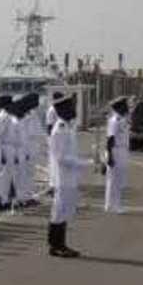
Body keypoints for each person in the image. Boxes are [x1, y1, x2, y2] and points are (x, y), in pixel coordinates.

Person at [48, 93, 88, 258]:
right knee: (59, 210)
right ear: (61, 109)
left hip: (69, 177)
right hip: (63, 177)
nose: (74, 109)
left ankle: (59, 244)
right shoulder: (60, 129)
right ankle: (56, 246)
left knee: (64, 211)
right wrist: (84, 163)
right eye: (70, 106)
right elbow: (61, 158)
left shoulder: (68, 126)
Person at [104, 96, 131, 213]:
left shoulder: (122, 119)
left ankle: (112, 204)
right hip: (116, 151)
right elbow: (110, 139)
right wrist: (110, 156)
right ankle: (113, 205)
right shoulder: (115, 121)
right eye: (125, 105)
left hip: (122, 150)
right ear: (119, 107)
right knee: (114, 180)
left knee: (118, 180)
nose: (127, 107)